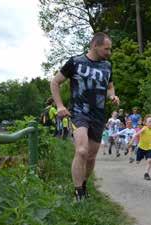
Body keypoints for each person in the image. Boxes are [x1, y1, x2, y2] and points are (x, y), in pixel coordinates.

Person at [50, 32, 120, 201]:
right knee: (82, 151)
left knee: (91, 156)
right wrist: (60, 105)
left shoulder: (107, 66)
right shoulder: (75, 62)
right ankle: (78, 192)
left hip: (99, 114)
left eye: (110, 49)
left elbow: (110, 87)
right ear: (94, 45)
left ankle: (83, 184)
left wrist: (112, 96)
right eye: (106, 49)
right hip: (79, 112)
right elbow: (55, 82)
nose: (109, 52)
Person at [130, 115, 151, 180]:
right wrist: (131, 141)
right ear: (146, 123)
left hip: (148, 149)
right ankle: (138, 156)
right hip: (141, 148)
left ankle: (146, 174)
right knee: (137, 162)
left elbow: (149, 138)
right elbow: (136, 134)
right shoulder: (144, 128)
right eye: (149, 121)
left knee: (149, 161)